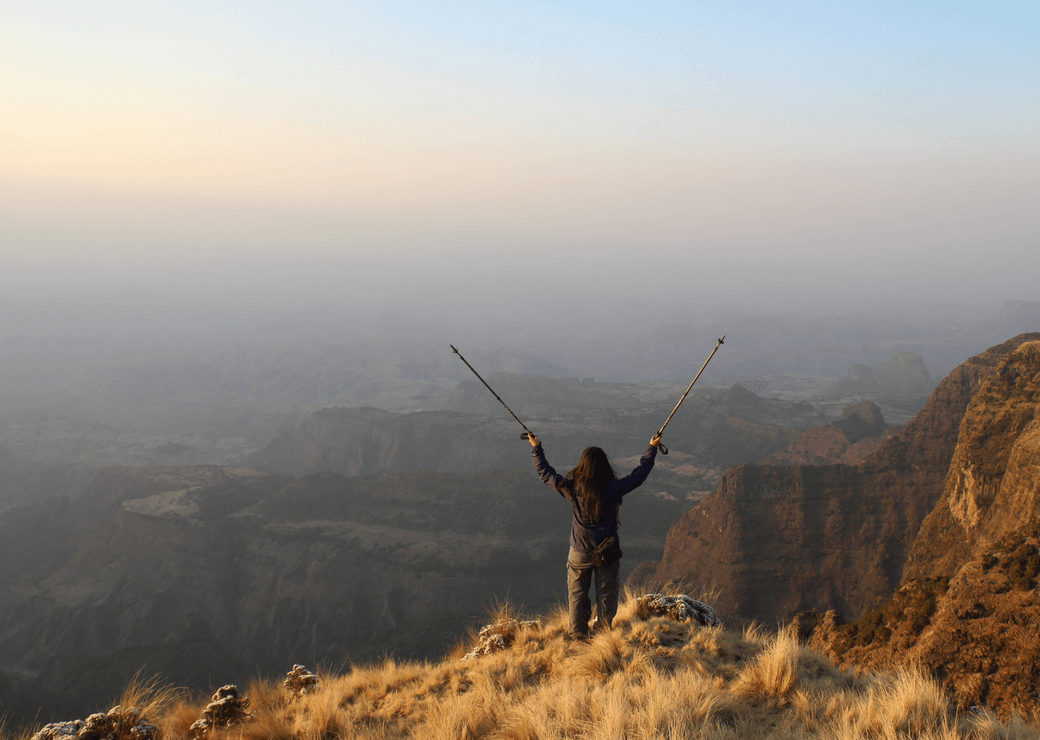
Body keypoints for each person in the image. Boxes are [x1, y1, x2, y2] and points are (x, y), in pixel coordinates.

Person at [528, 432, 662, 638]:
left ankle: (578, 635)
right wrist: (651, 448)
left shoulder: (572, 489)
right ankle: (603, 634)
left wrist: (536, 448)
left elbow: (546, 474)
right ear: (605, 467)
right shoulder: (614, 488)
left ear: (583, 467)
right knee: (607, 593)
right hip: (606, 552)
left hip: (579, 551)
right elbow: (639, 475)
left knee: (577, 595)